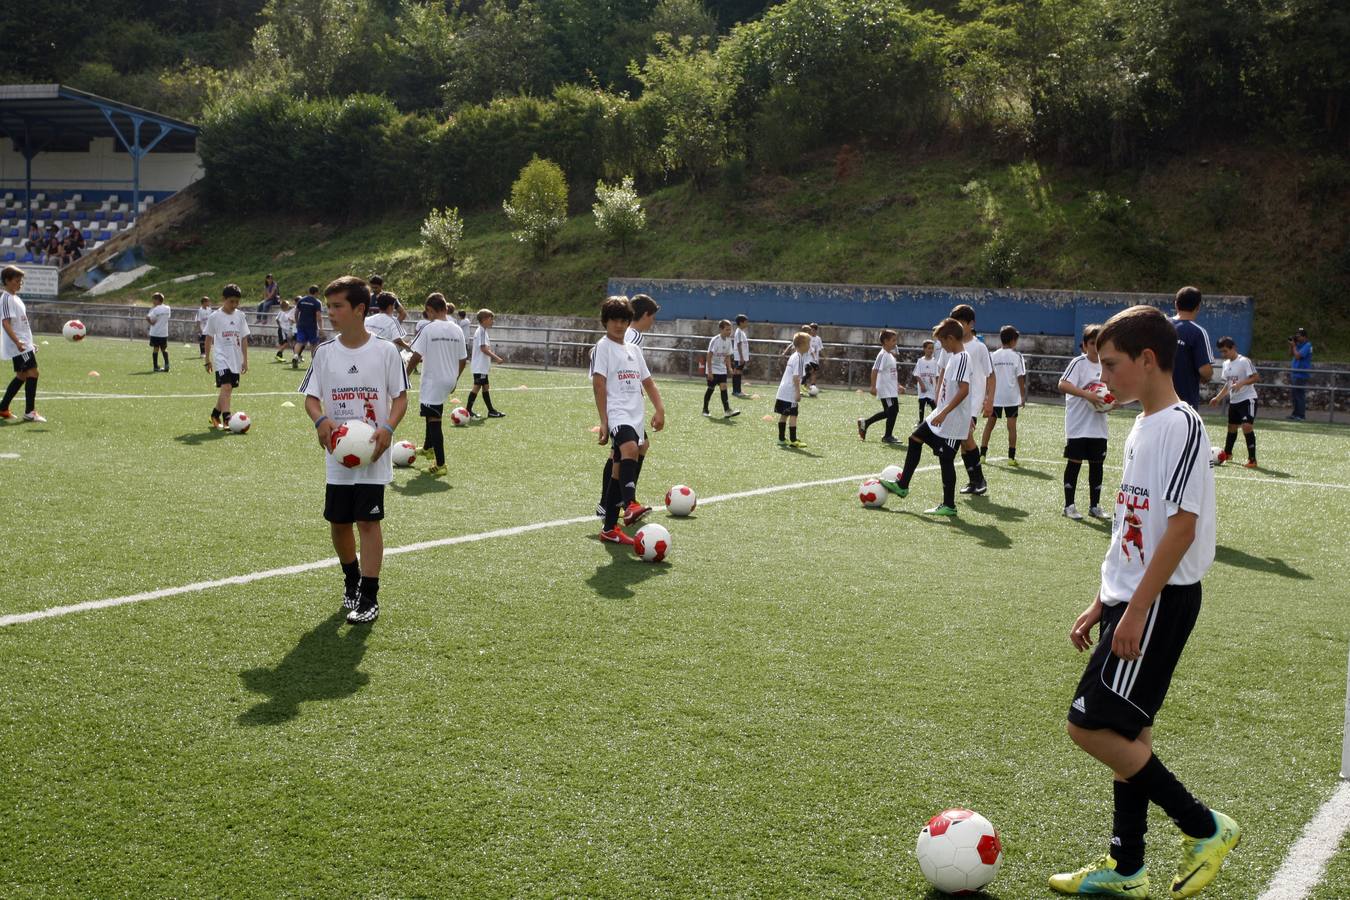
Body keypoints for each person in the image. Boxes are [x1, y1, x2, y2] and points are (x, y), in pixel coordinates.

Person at [1050, 304, 1237, 899]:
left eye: (1111, 365)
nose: (1102, 376)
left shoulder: (1181, 425)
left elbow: (1181, 528)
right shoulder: (1141, 424)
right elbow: (1133, 529)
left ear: (1148, 360)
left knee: (1087, 725)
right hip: (1133, 598)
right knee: (1130, 734)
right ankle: (1128, 868)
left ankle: (1204, 827)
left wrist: (1134, 610)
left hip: (1158, 602)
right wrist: (1104, 600)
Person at [301, 276, 408, 625]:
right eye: (329, 306)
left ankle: (369, 597)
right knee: (339, 521)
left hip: (373, 453)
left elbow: (400, 398)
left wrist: (388, 428)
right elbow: (311, 399)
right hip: (338, 454)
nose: (330, 313)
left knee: (368, 521)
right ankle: (352, 579)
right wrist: (320, 421)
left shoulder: (386, 351)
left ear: (359, 309)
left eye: (337, 306)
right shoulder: (324, 353)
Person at [879, 318, 971, 516]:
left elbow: (964, 390)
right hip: (940, 415)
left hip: (953, 421)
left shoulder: (963, 358)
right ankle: (903, 485)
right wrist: (939, 409)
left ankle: (949, 505)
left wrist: (944, 412)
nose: (941, 346)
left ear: (951, 338)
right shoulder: (953, 357)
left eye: (942, 342)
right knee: (915, 438)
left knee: (946, 459)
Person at [592, 296, 666, 544]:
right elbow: (599, 384)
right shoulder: (603, 347)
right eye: (614, 320)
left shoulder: (633, 349)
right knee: (631, 449)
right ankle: (631, 503)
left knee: (618, 469)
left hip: (636, 414)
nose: (619, 325)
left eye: (623, 320)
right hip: (617, 413)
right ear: (605, 321)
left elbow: (648, 382)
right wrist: (604, 421)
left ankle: (609, 528)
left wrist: (660, 409)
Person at [406, 293, 466, 477]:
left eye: (428, 312)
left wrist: (405, 375)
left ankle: (440, 464)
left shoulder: (429, 329)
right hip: (449, 379)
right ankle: (427, 448)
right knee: (430, 411)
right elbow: (463, 359)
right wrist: (455, 379)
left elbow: (416, 355)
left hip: (434, 380)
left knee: (434, 420)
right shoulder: (457, 329)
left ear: (430, 310)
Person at [935, 305, 993, 496]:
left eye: (960, 322)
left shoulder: (979, 347)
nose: (957, 326)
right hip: (950, 402)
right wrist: (938, 396)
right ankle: (973, 480)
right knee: (962, 440)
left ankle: (979, 479)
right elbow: (942, 372)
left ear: (971, 324)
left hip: (970, 402)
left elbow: (991, 375)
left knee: (966, 438)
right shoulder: (948, 343)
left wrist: (989, 400)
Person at [1059, 324, 1112, 521]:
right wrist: (1087, 395)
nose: (1096, 348)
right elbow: (1063, 384)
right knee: (1075, 464)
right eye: (1092, 343)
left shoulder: (1107, 366)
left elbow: (1112, 393)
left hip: (1098, 427)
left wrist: (1111, 403)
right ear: (1084, 345)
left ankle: (1094, 506)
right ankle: (1069, 506)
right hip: (1078, 426)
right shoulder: (1079, 363)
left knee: (1097, 465)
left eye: (1100, 344)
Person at [0, 265, 44, 422]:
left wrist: (30, 344)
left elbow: (21, 325)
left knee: (22, 375)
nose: (20, 284)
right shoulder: (6, 298)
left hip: (24, 344)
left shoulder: (16, 298)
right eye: (17, 281)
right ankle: (30, 412)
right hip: (18, 345)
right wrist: (18, 342)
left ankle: (3, 408)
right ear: (7, 281)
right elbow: (5, 323)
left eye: (21, 281)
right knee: (33, 373)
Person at [203, 284, 250, 430]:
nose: (234, 305)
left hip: (235, 359)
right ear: (224, 299)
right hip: (221, 358)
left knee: (227, 389)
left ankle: (215, 415)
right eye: (231, 301)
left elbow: (244, 338)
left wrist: (245, 360)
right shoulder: (214, 317)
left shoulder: (240, 316)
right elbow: (208, 338)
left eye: (237, 302)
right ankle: (227, 419)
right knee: (227, 386)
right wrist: (207, 359)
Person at [1209, 337, 1259, 468]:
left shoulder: (1244, 361)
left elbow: (1255, 377)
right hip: (1234, 401)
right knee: (1231, 427)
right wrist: (1218, 398)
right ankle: (1228, 453)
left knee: (1246, 426)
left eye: (1225, 351)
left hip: (1248, 399)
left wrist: (1241, 383)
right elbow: (1228, 384)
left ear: (1233, 348)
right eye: (1221, 351)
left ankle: (1252, 460)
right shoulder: (1226, 364)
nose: (1223, 354)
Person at [980, 325, 1026, 464]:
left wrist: (986, 395)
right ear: (1013, 340)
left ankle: (982, 455)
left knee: (989, 425)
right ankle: (1011, 458)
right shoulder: (1017, 356)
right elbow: (1020, 377)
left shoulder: (993, 355)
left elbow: (988, 376)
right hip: (1011, 397)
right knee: (1011, 427)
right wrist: (1022, 396)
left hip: (995, 396)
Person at [1169, 286, 1215, 412]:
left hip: (1157, 397)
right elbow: (1205, 371)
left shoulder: (1161, 326)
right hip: (1184, 401)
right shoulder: (1198, 332)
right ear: (1198, 307)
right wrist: (1207, 377)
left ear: (1176, 304)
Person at [858, 329, 903, 443]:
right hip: (886, 390)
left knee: (890, 412)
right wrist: (873, 386)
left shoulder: (890, 355)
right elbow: (875, 370)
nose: (895, 343)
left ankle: (866, 423)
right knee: (892, 411)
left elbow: (892, 374)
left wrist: (898, 385)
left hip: (891, 389)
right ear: (886, 341)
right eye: (893, 340)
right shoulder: (882, 355)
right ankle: (887, 436)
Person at [466, 308, 505, 419]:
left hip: (481, 366)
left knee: (485, 386)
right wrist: (497, 358)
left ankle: (490, 411)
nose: (493, 321)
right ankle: (469, 410)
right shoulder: (481, 331)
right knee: (477, 386)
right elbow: (483, 349)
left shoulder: (482, 331)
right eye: (491, 319)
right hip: (479, 366)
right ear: (484, 319)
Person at [774, 332, 810, 447]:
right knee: (793, 415)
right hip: (790, 391)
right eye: (808, 343)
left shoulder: (794, 356)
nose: (809, 346)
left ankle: (781, 439)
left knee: (784, 414)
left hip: (783, 390)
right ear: (802, 344)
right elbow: (795, 378)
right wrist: (797, 393)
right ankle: (793, 440)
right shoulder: (798, 358)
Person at [702, 319, 741, 418]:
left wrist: (730, 368)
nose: (729, 332)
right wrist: (709, 372)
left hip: (722, 369)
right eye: (727, 330)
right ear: (721, 329)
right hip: (712, 368)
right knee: (711, 389)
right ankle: (705, 409)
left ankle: (727, 410)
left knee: (724, 387)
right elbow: (709, 356)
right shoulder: (715, 340)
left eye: (730, 329)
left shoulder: (729, 340)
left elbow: (727, 356)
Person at [292, 285, 324, 369]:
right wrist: (321, 328)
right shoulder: (317, 302)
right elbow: (318, 316)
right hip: (311, 326)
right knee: (313, 344)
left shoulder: (301, 300)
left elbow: (296, 312)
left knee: (299, 342)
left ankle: (295, 356)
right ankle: (314, 362)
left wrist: (297, 322)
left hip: (301, 324)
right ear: (317, 292)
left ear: (309, 291)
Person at [1287, 327, 1311, 421]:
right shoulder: (1298, 345)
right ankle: (1295, 414)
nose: (1297, 337)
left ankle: (1301, 415)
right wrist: (1291, 345)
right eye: (1296, 335)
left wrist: (1294, 346)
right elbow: (1290, 354)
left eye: (1299, 336)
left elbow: (1297, 356)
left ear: (1304, 337)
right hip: (1295, 373)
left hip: (1301, 374)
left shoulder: (1307, 345)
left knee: (1300, 395)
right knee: (1294, 395)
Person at [913, 340, 939, 423]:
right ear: (924, 349)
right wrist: (922, 385)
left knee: (933, 405)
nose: (931, 350)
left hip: (931, 389)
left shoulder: (935, 361)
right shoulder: (920, 361)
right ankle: (920, 421)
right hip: (923, 388)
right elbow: (917, 374)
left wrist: (936, 386)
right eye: (929, 348)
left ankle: (934, 421)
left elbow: (937, 375)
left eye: (932, 348)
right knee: (922, 403)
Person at [146, 292, 172, 372]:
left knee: (156, 349)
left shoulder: (155, 309)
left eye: (154, 300)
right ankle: (167, 365)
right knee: (164, 349)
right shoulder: (168, 308)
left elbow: (147, 317)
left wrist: (151, 323)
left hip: (155, 333)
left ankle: (155, 367)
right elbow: (168, 317)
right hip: (164, 333)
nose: (153, 302)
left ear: (157, 300)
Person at [732, 314, 751, 398]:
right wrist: (741, 357)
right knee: (737, 373)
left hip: (741, 356)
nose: (747, 324)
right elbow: (739, 345)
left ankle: (738, 390)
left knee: (738, 373)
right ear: (741, 323)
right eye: (745, 322)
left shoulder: (741, 332)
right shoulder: (739, 332)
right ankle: (736, 391)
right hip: (739, 357)